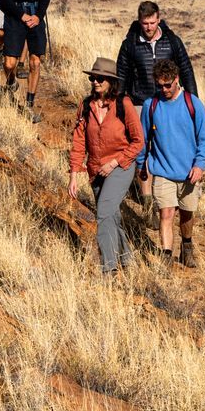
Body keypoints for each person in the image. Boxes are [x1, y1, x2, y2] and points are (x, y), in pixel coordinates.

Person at [67, 57, 145, 274]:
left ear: (111, 81)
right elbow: (79, 142)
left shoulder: (123, 104)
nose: (95, 82)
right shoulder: (85, 106)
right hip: (95, 169)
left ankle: (108, 268)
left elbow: (138, 141)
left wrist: (114, 163)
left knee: (103, 213)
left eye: (100, 78)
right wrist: (74, 174)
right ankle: (127, 259)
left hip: (120, 166)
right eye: (93, 78)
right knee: (112, 215)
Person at [140, 59, 205, 268]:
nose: (164, 89)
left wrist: (200, 165)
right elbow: (143, 138)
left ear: (177, 80)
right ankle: (166, 256)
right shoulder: (150, 105)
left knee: (187, 213)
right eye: (160, 85)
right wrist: (141, 164)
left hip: (189, 171)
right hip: (162, 170)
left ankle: (187, 247)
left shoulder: (193, 104)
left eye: (168, 85)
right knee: (166, 213)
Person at [114, 0, 199, 107]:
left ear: (158, 20)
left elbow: (186, 71)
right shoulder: (129, 44)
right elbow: (121, 76)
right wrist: (118, 104)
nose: (149, 27)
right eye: (145, 23)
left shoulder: (173, 41)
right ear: (139, 21)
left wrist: (193, 103)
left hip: (169, 103)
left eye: (152, 23)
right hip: (140, 104)